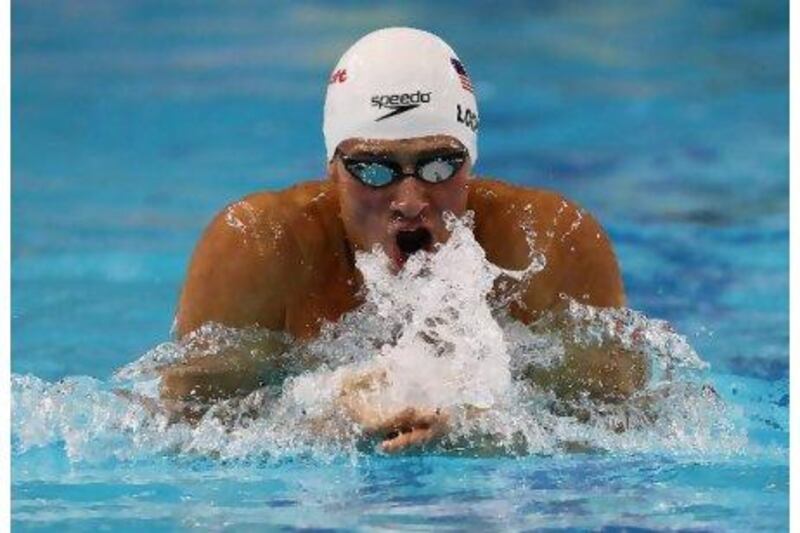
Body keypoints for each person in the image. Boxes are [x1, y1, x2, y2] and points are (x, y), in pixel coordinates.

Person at [159, 27, 647, 451]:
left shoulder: (548, 243)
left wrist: (476, 420)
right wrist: (326, 411)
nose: (410, 200)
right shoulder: (260, 246)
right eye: (374, 169)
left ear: (470, 162)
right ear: (333, 167)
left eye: (439, 165)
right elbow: (182, 432)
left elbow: (626, 428)